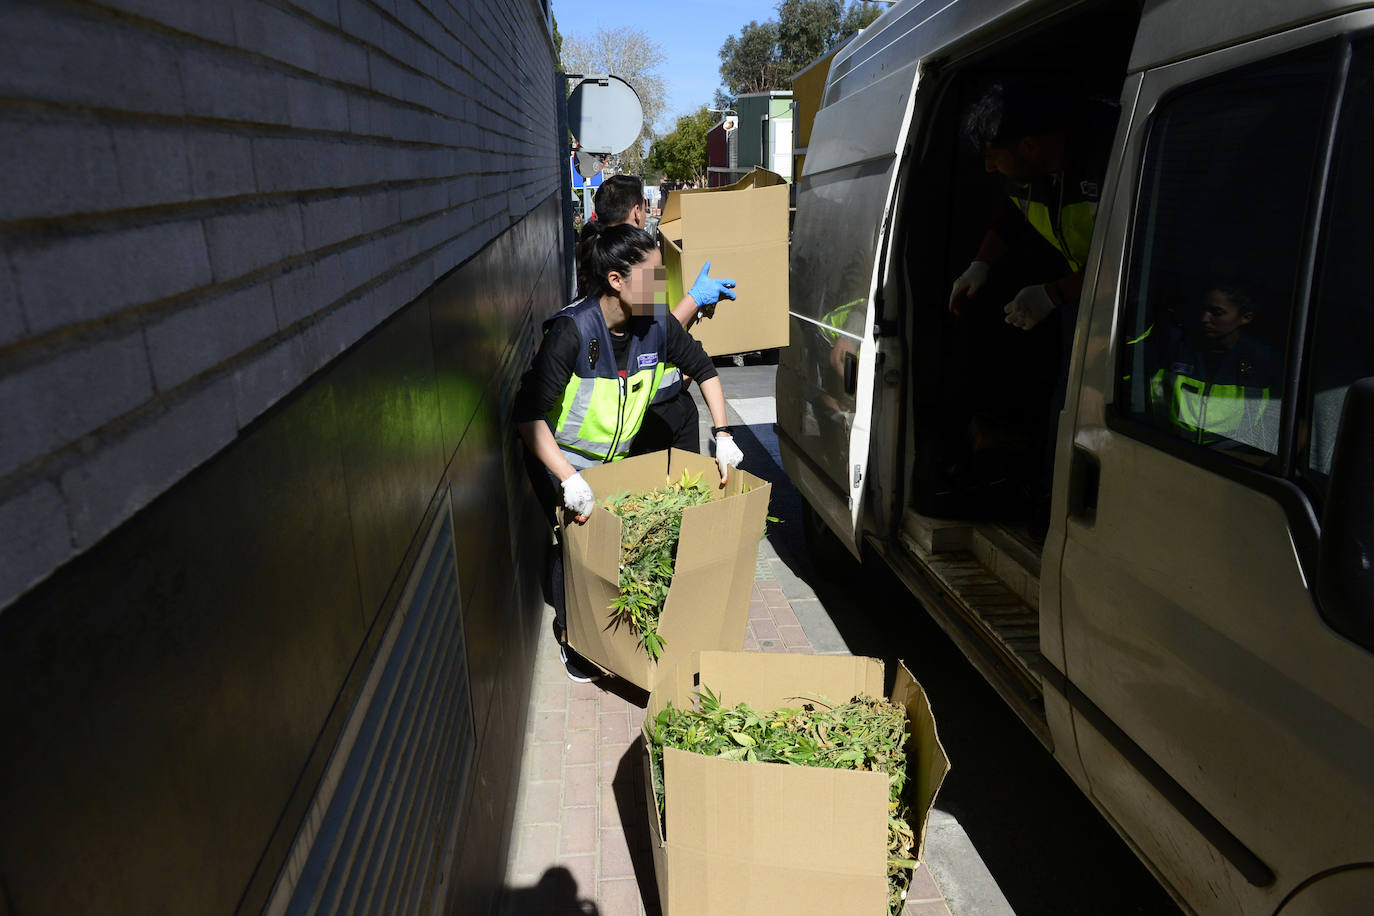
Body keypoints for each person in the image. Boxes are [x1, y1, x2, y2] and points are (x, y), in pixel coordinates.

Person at [514, 222, 744, 681]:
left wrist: (723, 434)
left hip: (610, 462)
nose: (661, 285)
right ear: (616, 281)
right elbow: (528, 419)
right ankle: (572, 639)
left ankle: (612, 630)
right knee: (576, 544)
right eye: (652, 275)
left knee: (611, 542)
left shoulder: (656, 325)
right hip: (561, 460)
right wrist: (569, 479)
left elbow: (703, 369)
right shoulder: (573, 333)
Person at [949, 78, 1118, 537]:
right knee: (1065, 404)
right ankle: (1049, 503)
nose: (988, 167)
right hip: (1081, 306)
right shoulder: (1028, 176)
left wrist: (1055, 293)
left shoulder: (1109, 164)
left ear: (1028, 145)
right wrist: (980, 264)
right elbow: (1008, 215)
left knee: (1098, 418)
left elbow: (1130, 258)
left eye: (992, 154)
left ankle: (1076, 525)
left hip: (1129, 318)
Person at [583, 174, 737, 455]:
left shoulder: (595, 252)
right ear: (637, 210)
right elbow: (654, 329)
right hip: (650, 410)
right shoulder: (639, 257)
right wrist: (694, 299)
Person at [1149, 285, 1277, 455]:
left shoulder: (1263, 360)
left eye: (1216, 313)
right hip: (1168, 450)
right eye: (1203, 310)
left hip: (1233, 461)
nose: (1204, 318)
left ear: (1246, 317)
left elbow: (1276, 421)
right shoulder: (1177, 346)